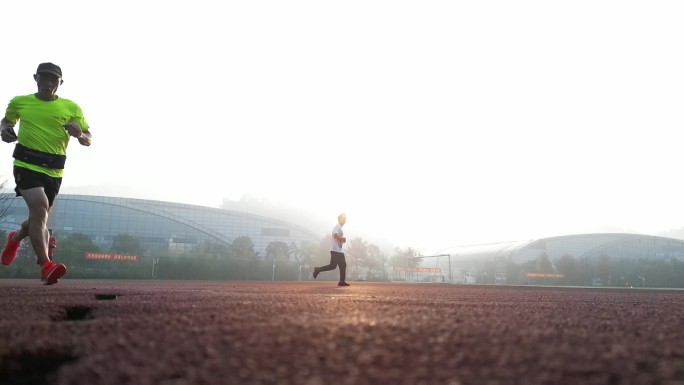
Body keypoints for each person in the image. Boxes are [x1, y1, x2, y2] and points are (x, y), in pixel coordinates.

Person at [0, 62, 92, 285]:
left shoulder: (72, 108)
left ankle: (15, 238)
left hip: (54, 169)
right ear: (35, 78)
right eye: (44, 78)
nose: (48, 83)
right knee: (40, 210)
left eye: (54, 80)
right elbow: (6, 122)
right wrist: (4, 130)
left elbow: (88, 138)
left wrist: (80, 134)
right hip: (26, 163)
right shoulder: (20, 102)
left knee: (36, 217)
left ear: (61, 83)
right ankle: (45, 265)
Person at [312, 213, 350, 286]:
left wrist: (342, 240)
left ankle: (342, 281)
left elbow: (338, 237)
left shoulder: (340, 228)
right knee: (332, 266)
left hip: (339, 250)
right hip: (335, 250)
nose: (345, 220)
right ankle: (317, 269)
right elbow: (335, 235)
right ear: (339, 219)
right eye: (343, 219)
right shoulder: (337, 226)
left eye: (345, 219)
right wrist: (342, 238)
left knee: (343, 265)